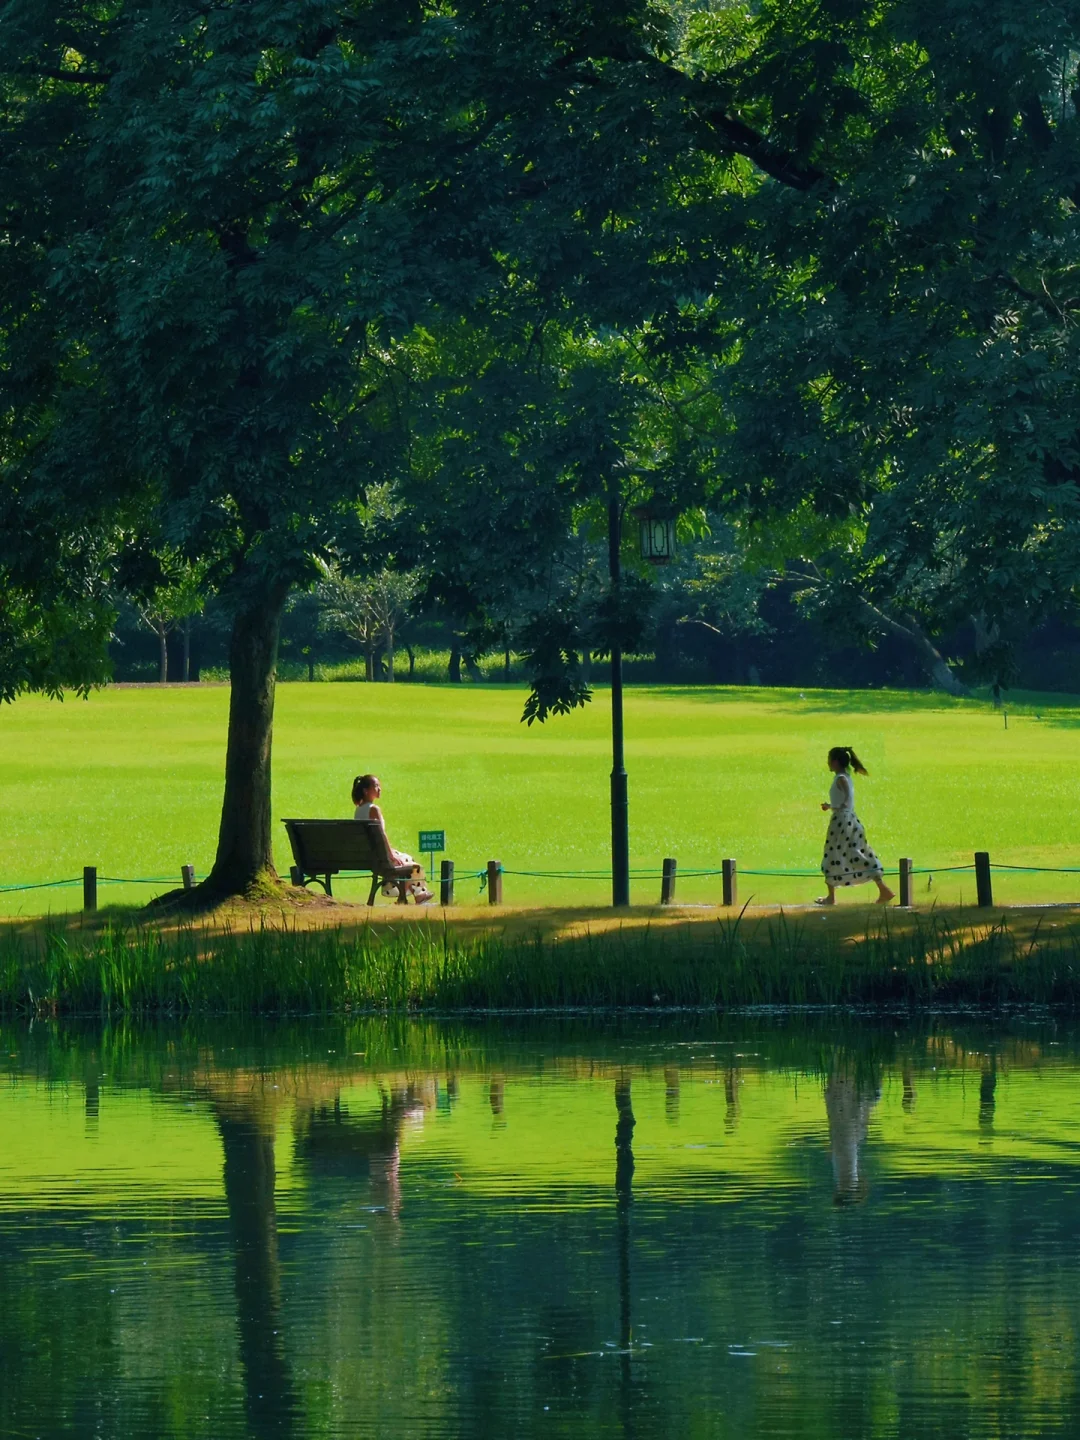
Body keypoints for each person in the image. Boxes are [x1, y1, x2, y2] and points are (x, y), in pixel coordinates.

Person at [817, 746, 894, 905]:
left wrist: (835, 806)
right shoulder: (844, 777)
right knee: (854, 852)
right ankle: (882, 889)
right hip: (847, 819)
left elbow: (846, 799)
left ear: (835, 762)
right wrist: (832, 806)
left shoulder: (841, 778)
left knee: (834, 854)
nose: (828, 763)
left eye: (829, 760)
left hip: (842, 821)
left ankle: (831, 897)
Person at [351, 774, 434, 903]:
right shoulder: (373, 809)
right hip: (380, 857)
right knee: (412, 865)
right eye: (376, 786)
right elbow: (381, 835)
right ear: (366, 791)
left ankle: (414, 895)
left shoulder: (358, 810)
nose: (379, 789)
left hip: (369, 856)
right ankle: (416, 895)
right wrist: (391, 854)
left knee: (407, 859)